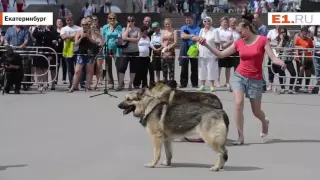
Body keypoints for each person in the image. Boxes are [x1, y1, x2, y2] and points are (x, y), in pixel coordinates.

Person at [199, 19, 286, 145]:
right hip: (239, 76)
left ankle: (264, 121)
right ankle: (240, 137)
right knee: (238, 103)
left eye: (241, 32)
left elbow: (273, 58)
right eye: (238, 33)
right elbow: (222, 54)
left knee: (256, 111)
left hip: (255, 79)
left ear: (247, 28)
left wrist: (281, 62)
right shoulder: (239, 43)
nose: (240, 35)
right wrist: (206, 44)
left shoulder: (262, 40)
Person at [68, 18, 99, 92]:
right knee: (77, 70)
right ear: (81, 25)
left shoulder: (92, 31)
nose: (85, 26)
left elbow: (95, 42)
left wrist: (88, 36)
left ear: (89, 24)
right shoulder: (79, 32)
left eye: (86, 24)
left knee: (89, 70)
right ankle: (74, 86)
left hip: (90, 53)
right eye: (83, 25)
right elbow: (76, 43)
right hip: (81, 53)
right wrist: (81, 37)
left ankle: (87, 86)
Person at [191, 16, 219, 92]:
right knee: (201, 70)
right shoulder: (202, 30)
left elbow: (217, 43)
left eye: (208, 21)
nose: (207, 22)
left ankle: (212, 86)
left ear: (211, 22)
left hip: (211, 54)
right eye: (205, 21)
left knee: (211, 70)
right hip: (201, 53)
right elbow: (198, 40)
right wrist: (197, 49)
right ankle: (202, 85)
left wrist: (217, 54)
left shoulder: (215, 31)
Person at [117, 16, 141, 91]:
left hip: (134, 51)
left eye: (131, 21)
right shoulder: (124, 29)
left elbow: (137, 40)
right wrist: (128, 28)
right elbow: (123, 37)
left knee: (133, 69)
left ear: (134, 22)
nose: (130, 22)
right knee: (122, 68)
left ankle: (130, 84)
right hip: (125, 52)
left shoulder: (138, 29)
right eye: (128, 21)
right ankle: (120, 85)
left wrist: (128, 38)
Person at [101, 13, 122, 90]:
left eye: (113, 18)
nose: (112, 20)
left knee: (118, 66)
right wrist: (102, 46)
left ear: (115, 19)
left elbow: (120, 37)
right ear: (108, 19)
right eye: (110, 18)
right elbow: (102, 38)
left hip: (116, 49)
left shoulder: (118, 27)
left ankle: (120, 83)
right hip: (107, 48)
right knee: (108, 66)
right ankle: (110, 83)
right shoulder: (105, 27)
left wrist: (118, 39)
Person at [60, 14, 81, 89]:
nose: (69, 21)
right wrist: (74, 36)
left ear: (73, 20)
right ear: (66, 21)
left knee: (78, 69)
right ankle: (71, 84)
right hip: (68, 51)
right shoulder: (63, 29)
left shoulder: (78, 28)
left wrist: (69, 36)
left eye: (70, 20)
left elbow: (79, 37)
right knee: (70, 68)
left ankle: (77, 84)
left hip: (77, 50)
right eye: (67, 20)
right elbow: (63, 37)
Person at [179, 14, 200, 88]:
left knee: (194, 67)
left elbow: (197, 38)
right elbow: (182, 36)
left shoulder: (197, 28)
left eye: (189, 20)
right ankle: (183, 83)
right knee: (184, 67)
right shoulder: (183, 27)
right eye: (187, 20)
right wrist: (192, 36)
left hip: (193, 48)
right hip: (185, 48)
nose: (188, 21)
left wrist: (188, 36)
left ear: (193, 20)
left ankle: (194, 84)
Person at [274, 27, 297, 94]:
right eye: (281, 32)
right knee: (281, 74)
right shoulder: (277, 39)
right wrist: (281, 40)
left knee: (293, 73)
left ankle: (290, 89)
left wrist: (283, 49)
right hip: (280, 59)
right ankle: (282, 88)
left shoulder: (289, 39)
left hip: (288, 59)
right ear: (279, 33)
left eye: (284, 32)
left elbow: (291, 48)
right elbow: (277, 49)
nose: (283, 33)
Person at [294, 27, 314, 93]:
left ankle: (306, 87)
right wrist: (301, 47)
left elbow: (312, 48)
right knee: (300, 73)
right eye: (303, 34)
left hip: (308, 58)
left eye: (306, 34)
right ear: (301, 33)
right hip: (300, 59)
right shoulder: (298, 39)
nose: (304, 35)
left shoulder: (309, 40)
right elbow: (294, 46)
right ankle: (298, 87)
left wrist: (309, 50)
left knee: (308, 74)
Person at [217, 16, 233, 89]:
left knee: (228, 68)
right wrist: (220, 42)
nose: (225, 23)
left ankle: (227, 82)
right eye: (224, 22)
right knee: (218, 67)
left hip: (228, 50)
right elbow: (214, 39)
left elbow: (232, 40)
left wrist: (228, 43)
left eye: (226, 22)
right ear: (221, 23)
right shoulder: (217, 30)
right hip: (219, 49)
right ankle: (217, 81)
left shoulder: (230, 31)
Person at [266, 25, 280, 91]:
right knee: (271, 68)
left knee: (279, 69)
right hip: (272, 52)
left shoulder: (284, 31)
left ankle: (278, 85)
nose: (278, 25)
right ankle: (270, 84)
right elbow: (267, 40)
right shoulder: (271, 32)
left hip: (280, 53)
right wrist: (272, 44)